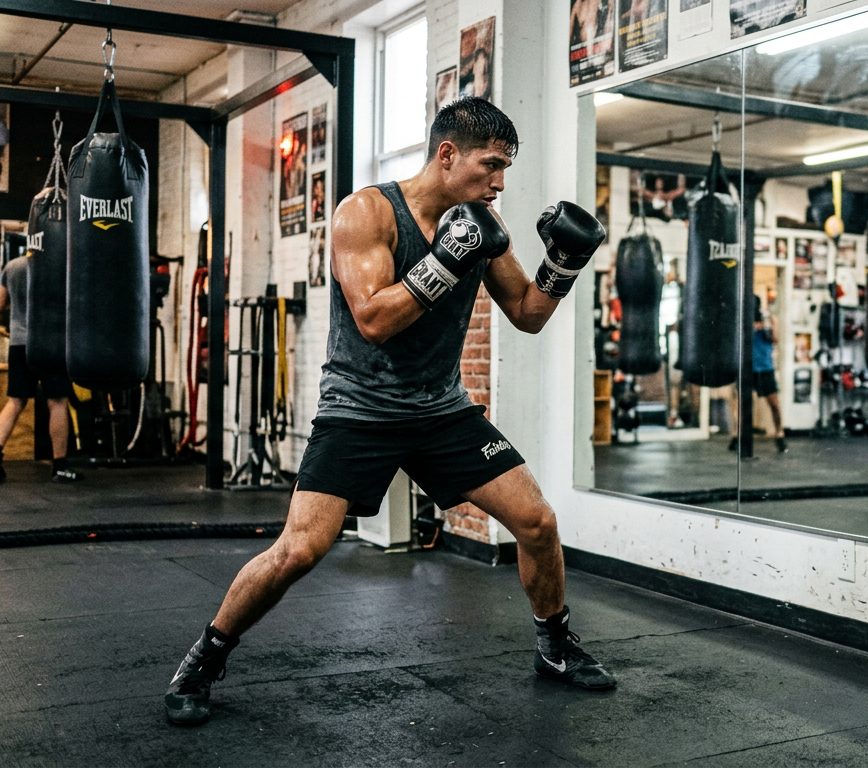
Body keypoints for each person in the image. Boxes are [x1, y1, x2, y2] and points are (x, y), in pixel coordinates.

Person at [163, 97, 615, 727]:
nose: (500, 181)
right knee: (300, 549)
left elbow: (528, 314)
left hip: (441, 411)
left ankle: (555, 646)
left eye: (506, 168)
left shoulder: (480, 222)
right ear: (447, 153)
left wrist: (562, 263)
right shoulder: (367, 213)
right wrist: (445, 260)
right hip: (359, 409)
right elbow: (373, 319)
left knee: (536, 521)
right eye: (491, 164)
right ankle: (203, 660)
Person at [0, 254, 80, 484]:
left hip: (19, 343)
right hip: (50, 343)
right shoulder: (59, 264)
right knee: (57, 401)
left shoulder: (12, 266)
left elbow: (1, 303)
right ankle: (60, 467)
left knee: (15, 401)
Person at [729, 294, 787, 454]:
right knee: (740, 405)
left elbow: (775, 339)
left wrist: (767, 325)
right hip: (747, 368)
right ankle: (736, 436)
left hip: (765, 368)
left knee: (774, 404)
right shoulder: (740, 320)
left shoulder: (767, 318)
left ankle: (780, 434)